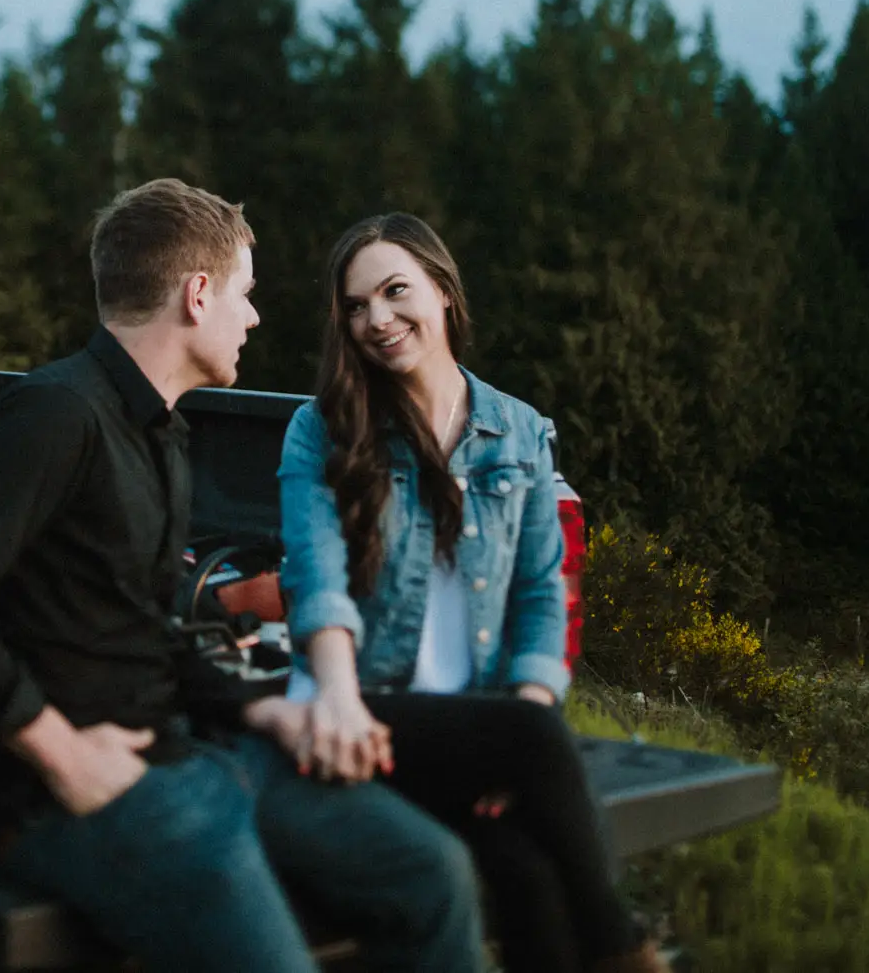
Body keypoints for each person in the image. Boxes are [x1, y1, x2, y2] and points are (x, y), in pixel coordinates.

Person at [0, 180, 487, 973]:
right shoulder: (53, 415)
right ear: (198, 295)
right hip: (63, 796)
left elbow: (145, 627)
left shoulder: (161, 432)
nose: (254, 317)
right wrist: (59, 750)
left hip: (189, 751)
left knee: (430, 872)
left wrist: (263, 712)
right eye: (246, 294)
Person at [278, 212, 666, 973]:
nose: (376, 320)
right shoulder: (321, 429)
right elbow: (315, 575)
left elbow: (539, 598)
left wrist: (514, 734)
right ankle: (627, 950)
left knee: (526, 874)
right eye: (355, 306)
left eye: (395, 292)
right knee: (533, 742)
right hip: (361, 711)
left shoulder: (519, 431)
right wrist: (337, 696)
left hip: (479, 728)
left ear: (444, 292)